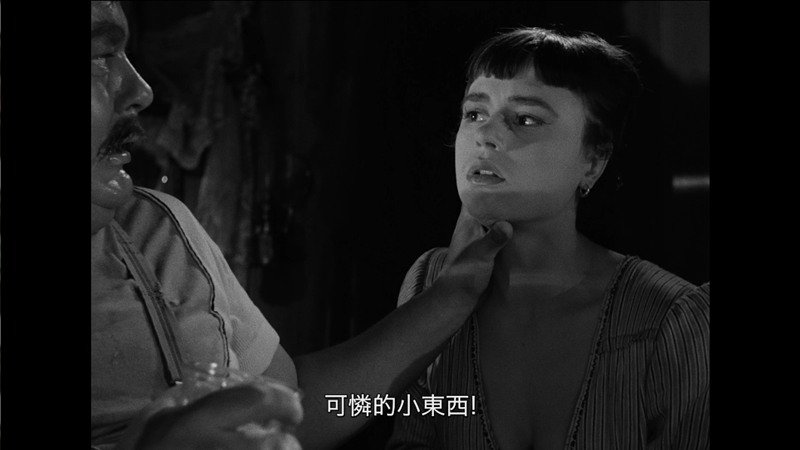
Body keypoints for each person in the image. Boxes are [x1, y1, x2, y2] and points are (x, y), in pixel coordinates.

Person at [91, 2, 513, 449]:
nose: (140, 91)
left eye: (526, 120)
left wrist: (449, 297)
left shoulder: (159, 230)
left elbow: (290, 409)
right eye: (99, 56)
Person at [387, 27, 709, 450]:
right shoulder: (430, 281)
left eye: (525, 119)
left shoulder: (673, 318)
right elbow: (399, 430)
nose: (485, 135)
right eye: (474, 113)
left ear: (593, 161)